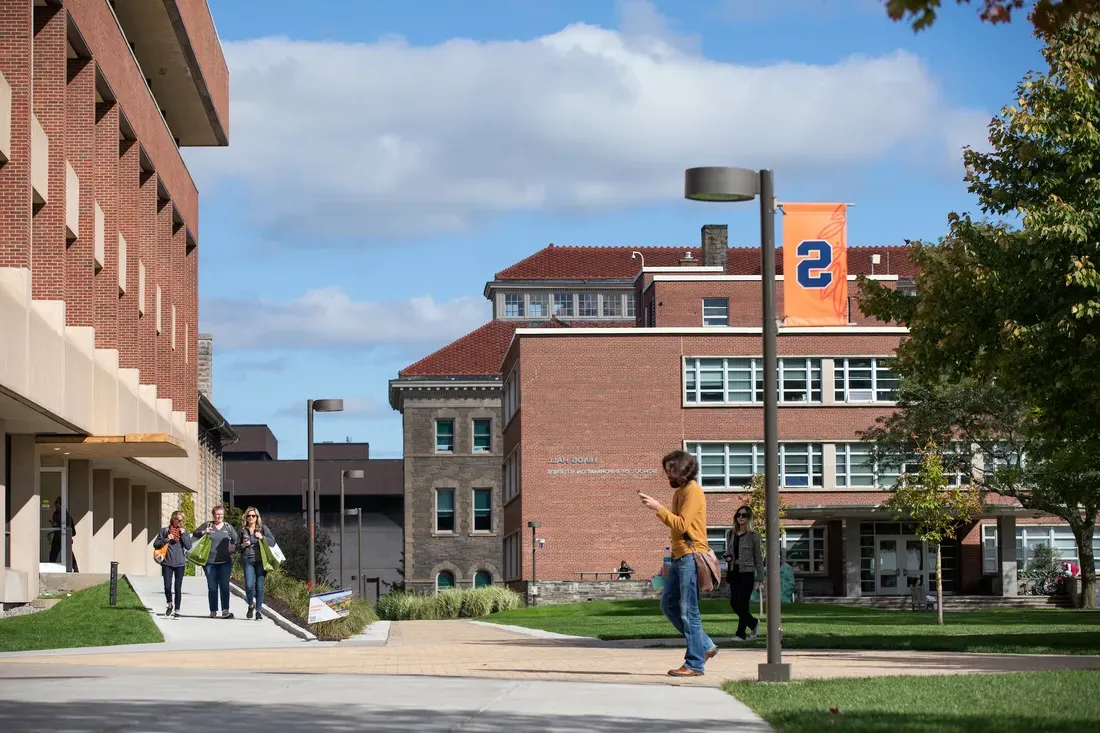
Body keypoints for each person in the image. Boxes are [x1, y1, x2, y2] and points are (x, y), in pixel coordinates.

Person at [638, 450, 719, 678]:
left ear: (683, 470)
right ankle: (705, 645)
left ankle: (694, 663)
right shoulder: (682, 491)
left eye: (670, 470)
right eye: (666, 470)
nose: (667, 475)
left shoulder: (693, 491)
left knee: (688, 611)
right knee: (668, 605)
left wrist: (658, 508)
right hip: (678, 558)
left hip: (691, 557)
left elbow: (682, 525)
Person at [723, 505, 763, 641]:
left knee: (743, 603)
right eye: (738, 515)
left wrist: (761, 578)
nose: (740, 517)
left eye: (744, 515)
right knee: (734, 603)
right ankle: (753, 623)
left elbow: (758, 557)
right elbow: (729, 552)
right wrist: (727, 557)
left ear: (749, 518)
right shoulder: (730, 534)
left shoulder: (754, 536)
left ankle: (741, 634)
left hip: (747, 573)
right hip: (734, 572)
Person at [194, 505, 238, 619]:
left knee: (224, 586)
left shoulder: (228, 527)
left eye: (221, 515)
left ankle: (225, 611)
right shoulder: (208, 525)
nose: (219, 516)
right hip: (209, 562)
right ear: (213, 515)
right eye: (217, 514)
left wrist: (233, 546)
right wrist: (204, 531)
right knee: (212, 587)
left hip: (225, 562)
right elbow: (195, 533)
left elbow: (237, 540)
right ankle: (213, 611)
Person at [154, 510, 193, 618]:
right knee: (167, 586)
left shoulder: (183, 532)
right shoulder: (164, 531)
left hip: (180, 563)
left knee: (178, 588)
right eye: (179, 520)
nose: (180, 522)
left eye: (182, 520)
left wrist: (184, 534)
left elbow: (189, 546)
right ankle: (170, 604)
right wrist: (167, 539)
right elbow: (156, 544)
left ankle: (177, 610)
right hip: (167, 563)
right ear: (173, 519)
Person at [239, 507, 276, 621]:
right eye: (248, 516)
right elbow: (237, 546)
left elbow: (273, 542)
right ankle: (251, 605)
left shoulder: (263, 529)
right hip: (248, 561)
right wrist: (243, 545)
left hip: (261, 561)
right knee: (249, 586)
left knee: (259, 587)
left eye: (253, 516)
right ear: (246, 517)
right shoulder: (242, 530)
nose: (250, 518)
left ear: (257, 517)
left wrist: (262, 537)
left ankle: (258, 611)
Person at [48, 497, 78, 572]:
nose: (57, 506)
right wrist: (53, 529)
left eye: (58, 504)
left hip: (64, 536)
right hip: (57, 536)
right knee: (53, 553)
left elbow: (66, 525)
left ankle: (75, 568)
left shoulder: (65, 514)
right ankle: (51, 568)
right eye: (56, 504)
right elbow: (56, 524)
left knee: (69, 554)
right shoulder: (56, 513)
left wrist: (58, 526)